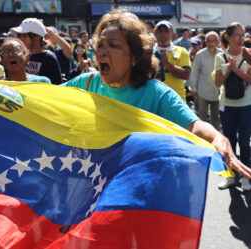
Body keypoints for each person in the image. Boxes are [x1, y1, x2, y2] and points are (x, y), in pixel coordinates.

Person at [64, 10, 251, 180]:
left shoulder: (156, 93)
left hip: (138, 187)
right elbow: (45, 97)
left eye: (112, 45)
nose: (101, 51)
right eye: (100, 45)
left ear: (135, 56)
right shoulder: (86, 83)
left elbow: (194, 125)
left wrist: (219, 138)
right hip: (94, 183)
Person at [214, 22, 251, 190]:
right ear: (228, 37)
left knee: (244, 142)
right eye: (237, 35)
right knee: (228, 142)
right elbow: (218, 83)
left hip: (245, 104)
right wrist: (228, 70)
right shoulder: (219, 57)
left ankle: (245, 177)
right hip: (226, 105)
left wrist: (235, 69)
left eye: (242, 34)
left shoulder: (249, 54)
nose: (241, 38)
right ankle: (230, 176)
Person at [14, 18, 62, 84]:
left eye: (24, 35)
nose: (21, 39)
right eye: (20, 35)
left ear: (37, 36)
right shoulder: (25, 56)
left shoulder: (49, 57)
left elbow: (57, 85)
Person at [190, 31, 222, 130]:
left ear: (218, 42)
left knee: (216, 118)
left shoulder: (222, 54)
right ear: (205, 42)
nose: (211, 43)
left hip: (218, 92)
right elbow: (194, 73)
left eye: (213, 41)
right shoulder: (200, 55)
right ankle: (203, 141)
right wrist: (194, 90)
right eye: (208, 41)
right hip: (202, 92)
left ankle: (215, 141)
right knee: (202, 118)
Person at [154, 21, 191, 101]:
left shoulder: (182, 51)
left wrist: (167, 64)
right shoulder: (149, 52)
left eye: (166, 31)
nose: (163, 34)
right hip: (156, 100)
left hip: (177, 100)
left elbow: (186, 75)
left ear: (173, 35)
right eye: (160, 31)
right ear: (155, 34)